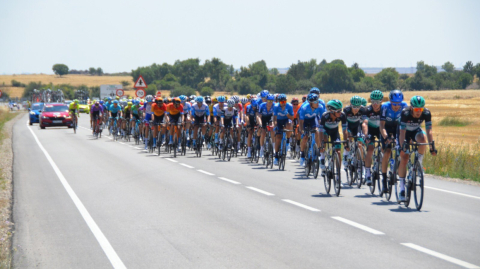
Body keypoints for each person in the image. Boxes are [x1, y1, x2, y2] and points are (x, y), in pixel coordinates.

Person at [397, 96, 437, 201]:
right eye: (416, 109)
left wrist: (432, 145)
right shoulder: (405, 113)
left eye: (421, 109)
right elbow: (402, 133)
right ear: (411, 108)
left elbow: (429, 131)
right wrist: (402, 146)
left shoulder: (426, 113)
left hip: (415, 131)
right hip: (404, 132)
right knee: (404, 157)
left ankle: (419, 162)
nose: (419, 112)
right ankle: (401, 188)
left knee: (423, 139)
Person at [379, 90, 408, 192]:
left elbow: (405, 125)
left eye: (398, 103)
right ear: (390, 101)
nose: (396, 106)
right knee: (387, 152)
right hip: (386, 128)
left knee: (402, 149)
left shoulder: (404, 106)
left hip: (398, 128)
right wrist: (386, 137)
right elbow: (381, 125)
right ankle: (383, 180)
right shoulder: (385, 106)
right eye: (394, 103)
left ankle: (398, 166)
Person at [319, 100, 348, 175]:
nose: (340, 112)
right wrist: (321, 144)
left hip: (335, 132)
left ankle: (338, 174)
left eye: (341, 110)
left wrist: (346, 142)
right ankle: (322, 158)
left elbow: (345, 130)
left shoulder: (342, 115)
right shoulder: (325, 116)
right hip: (325, 131)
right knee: (324, 140)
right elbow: (321, 131)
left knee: (338, 151)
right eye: (338, 111)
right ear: (331, 111)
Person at [361, 90, 384, 185]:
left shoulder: (384, 109)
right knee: (370, 149)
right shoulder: (367, 110)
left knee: (385, 148)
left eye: (377, 102)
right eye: (373, 101)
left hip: (380, 129)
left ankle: (382, 165)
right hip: (370, 130)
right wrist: (366, 135)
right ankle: (367, 173)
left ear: (381, 102)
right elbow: (364, 124)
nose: (375, 104)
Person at [298, 93, 325, 166]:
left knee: (317, 132)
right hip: (305, 121)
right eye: (316, 102)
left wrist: (322, 127)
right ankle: (302, 155)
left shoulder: (320, 107)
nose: (318, 103)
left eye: (318, 101)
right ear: (310, 103)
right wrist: (302, 130)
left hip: (313, 119)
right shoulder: (304, 108)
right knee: (305, 137)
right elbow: (301, 121)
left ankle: (318, 150)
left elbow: (322, 119)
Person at [343, 96, 367, 169]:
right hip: (348, 125)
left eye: (358, 107)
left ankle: (360, 162)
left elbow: (364, 122)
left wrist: (365, 135)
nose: (356, 109)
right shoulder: (346, 110)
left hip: (357, 126)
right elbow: (344, 124)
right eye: (354, 107)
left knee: (359, 144)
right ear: (350, 105)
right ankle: (346, 155)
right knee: (348, 139)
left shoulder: (363, 109)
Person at [273, 94, 294, 165]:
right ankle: (276, 156)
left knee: (289, 124)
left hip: (286, 120)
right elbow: (275, 118)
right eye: (281, 102)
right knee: (278, 137)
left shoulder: (289, 106)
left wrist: (287, 114)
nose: (283, 103)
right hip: (278, 121)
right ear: (279, 102)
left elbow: (292, 118)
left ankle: (287, 140)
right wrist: (275, 125)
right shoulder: (276, 106)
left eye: (284, 101)